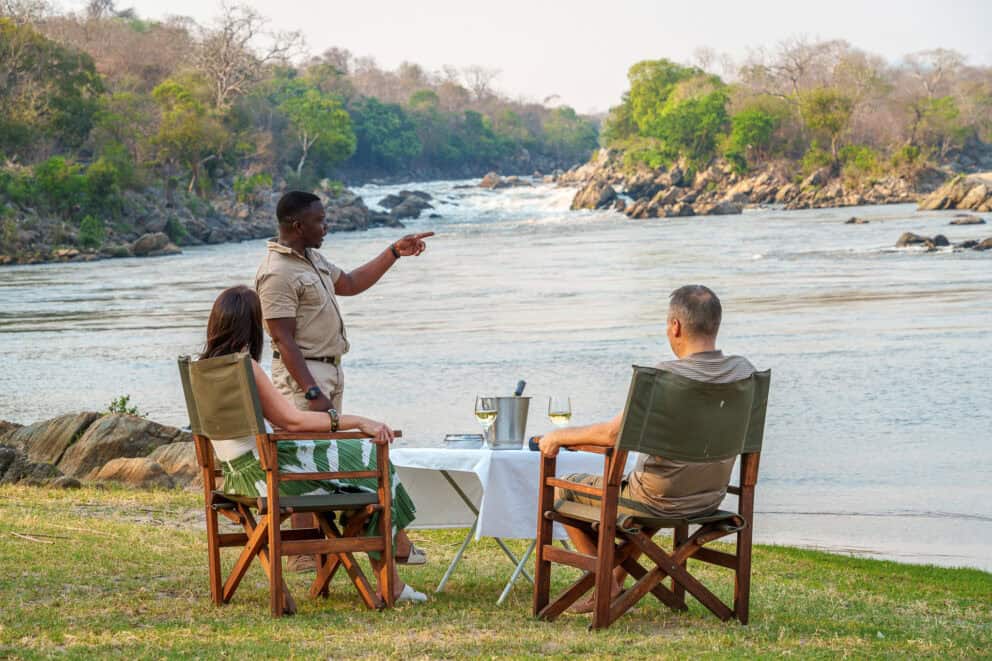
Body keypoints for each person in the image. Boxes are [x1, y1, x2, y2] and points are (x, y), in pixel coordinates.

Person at [201, 285, 427, 603]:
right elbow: (293, 422)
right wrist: (357, 421)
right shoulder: (244, 367)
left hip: (239, 477)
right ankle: (394, 565)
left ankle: (395, 558)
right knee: (372, 456)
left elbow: (266, 424)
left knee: (360, 469)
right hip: (270, 478)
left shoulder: (205, 370)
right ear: (253, 326)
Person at [538, 284, 755, 612]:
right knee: (649, 494)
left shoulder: (665, 377)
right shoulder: (743, 373)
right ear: (716, 324)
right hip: (710, 496)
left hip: (657, 498)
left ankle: (606, 583)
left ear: (676, 326)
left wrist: (556, 437)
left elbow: (613, 435)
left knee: (562, 493)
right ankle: (617, 576)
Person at [255, 190, 433, 569]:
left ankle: (321, 545)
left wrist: (394, 253)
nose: (327, 225)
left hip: (329, 368)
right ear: (297, 225)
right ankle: (304, 552)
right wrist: (311, 388)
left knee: (322, 459)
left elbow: (350, 283)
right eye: (320, 220)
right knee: (304, 457)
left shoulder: (311, 259)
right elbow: (282, 339)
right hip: (305, 373)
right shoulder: (276, 273)